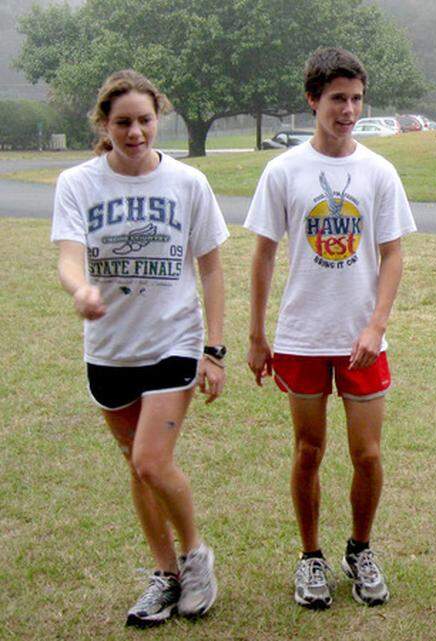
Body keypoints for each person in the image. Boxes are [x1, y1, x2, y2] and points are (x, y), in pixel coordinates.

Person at [51, 69, 226, 627]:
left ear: (159, 118)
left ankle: (196, 556)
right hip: (109, 349)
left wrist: (214, 350)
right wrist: (80, 289)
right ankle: (165, 575)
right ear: (104, 124)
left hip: (171, 340)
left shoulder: (186, 184)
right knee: (138, 467)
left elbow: (212, 267)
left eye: (144, 120)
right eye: (122, 122)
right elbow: (69, 253)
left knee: (153, 459)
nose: (135, 132)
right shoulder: (78, 184)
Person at [245, 47, 415, 609]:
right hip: (301, 337)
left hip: (362, 340)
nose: (348, 110)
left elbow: (393, 255)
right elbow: (264, 255)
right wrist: (255, 334)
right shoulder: (284, 171)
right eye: (337, 98)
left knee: (367, 455)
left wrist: (376, 323)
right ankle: (311, 557)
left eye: (357, 99)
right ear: (313, 99)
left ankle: (360, 549)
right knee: (308, 450)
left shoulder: (378, 171)